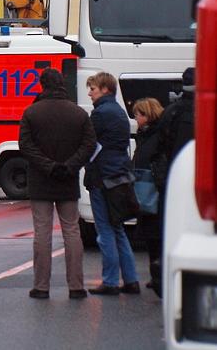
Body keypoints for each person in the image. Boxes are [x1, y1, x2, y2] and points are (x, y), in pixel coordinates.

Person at [18, 68, 96, 299]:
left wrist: (48, 166)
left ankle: (41, 286)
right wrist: (70, 165)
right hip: (68, 179)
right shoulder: (78, 114)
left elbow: (26, 146)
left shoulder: (32, 112)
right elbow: (89, 144)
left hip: (42, 179)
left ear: (42, 85)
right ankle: (76, 286)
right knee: (72, 231)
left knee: (42, 232)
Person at [83, 72, 139, 296]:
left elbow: (88, 144)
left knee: (104, 230)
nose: (89, 93)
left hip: (102, 177)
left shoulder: (100, 114)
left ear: (105, 89)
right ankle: (131, 279)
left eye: (93, 89)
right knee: (118, 229)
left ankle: (110, 280)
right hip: (119, 176)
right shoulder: (119, 112)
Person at [131, 97, 164, 295]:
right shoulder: (147, 134)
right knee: (152, 236)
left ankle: (158, 275)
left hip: (151, 187)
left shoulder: (154, 135)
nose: (136, 119)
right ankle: (155, 275)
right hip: (148, 186)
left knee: (154, 235)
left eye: (138, 114)